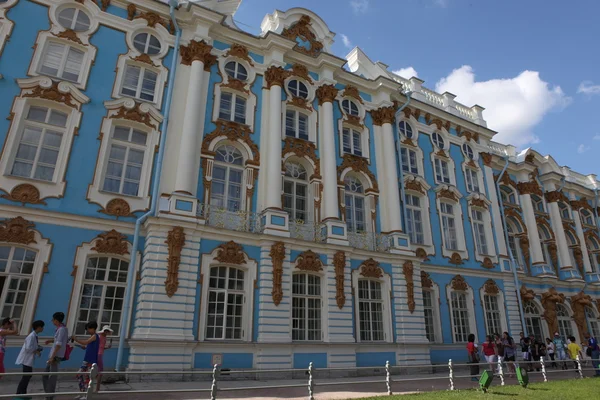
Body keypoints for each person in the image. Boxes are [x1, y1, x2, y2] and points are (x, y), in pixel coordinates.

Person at [43, 312, 69, 400]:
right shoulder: (61, 329)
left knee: (52, 376)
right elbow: (58, 340)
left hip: (55, 356)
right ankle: (48, 393)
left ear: (56, 320)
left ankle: (49, 395)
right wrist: (50, 340)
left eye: (53, 319)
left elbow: (59, 344)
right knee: (46, 375)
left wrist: (52, 357)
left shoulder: (62, 329)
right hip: (54, 355)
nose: (52, 321)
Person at [16, 320, 45, 396]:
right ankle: (19, 393)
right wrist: (36, 351)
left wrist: (38, 348)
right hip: (26, 359)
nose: (43, 329)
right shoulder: (31, 336)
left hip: (29, 359)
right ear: (39, 327)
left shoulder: (35, 335)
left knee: (28, 376)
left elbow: (32, 346)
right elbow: (28, 348)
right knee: (26, 377)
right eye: (42, 327)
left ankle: (23, 393)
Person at [72, 322, 99, 398]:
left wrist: (76, 339)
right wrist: (82, 346)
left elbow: (86, 342)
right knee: (80, 375)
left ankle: (86, 395)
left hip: (90, 361)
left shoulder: (94, 336)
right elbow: (88, 346)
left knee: (87, 377)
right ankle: (82, 392)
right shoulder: (92, 337)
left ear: (93, 328)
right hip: (86, 360)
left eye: (89, 329)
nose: (88, 331)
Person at [96, 325, 113, 391]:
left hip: (100, 353)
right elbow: (97, 346)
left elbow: (102, 347)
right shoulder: (100, 337)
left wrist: (107, 347)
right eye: (106, 331)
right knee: (100, 370)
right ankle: (97, 388)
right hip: (98, 354)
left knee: (99, 371)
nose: (106, 333)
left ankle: (97, 386)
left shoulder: (104, 337)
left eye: (107, 331)